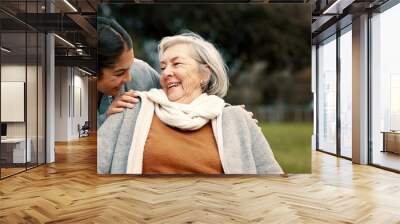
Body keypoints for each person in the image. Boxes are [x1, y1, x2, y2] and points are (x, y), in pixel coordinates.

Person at [98, 32, 283, 175]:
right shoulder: (131, 107)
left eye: (177, 64)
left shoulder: (235, 118)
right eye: (162, 67)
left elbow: (272, 177)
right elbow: (94, 163)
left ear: (205, 73)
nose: (166, 72)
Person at [97, 17, 160, 128]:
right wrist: (106, 121)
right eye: (119, 73)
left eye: (129, 67)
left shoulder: (142, 73)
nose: (128, 78)